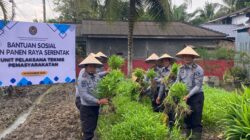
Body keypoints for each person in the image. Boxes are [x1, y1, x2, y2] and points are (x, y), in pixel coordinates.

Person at [175, 45, 204, 140]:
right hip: (184, 96)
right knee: (186, 119)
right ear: (183, 57)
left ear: (193, 57)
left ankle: (196, 137)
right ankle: (188, 137)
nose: (187, 57)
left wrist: (188, 95)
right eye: (185, 56)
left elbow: (198, 86)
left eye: (189, 56)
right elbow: (177, 82)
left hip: (196, 96)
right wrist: (172, 91)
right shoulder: (180, 69)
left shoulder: (198, 69)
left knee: (196, 120)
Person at [77, 55, 109, 140]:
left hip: (95, 107)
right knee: (88, 131)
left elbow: (99, 76)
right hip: (87, 108)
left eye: (94, 66)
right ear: (86, 66)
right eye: (91, 66)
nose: (93, 68)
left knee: (92, 127)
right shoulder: (82, 79)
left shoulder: (95, 75)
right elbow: (84, 95)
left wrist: (107, 72)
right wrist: (98, 101)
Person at [156, 53, 176, 129]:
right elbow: (162, 85)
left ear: (169, 61)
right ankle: (166, 125)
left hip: (173, 93)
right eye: (163, 61)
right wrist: (159, 96)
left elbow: (178, 82)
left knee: (172, 110)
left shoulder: (174, 70)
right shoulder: (162, 71)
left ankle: (172, 126)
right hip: (166, 92)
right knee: (165, 108)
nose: (165, 62)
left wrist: (173, 77)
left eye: (166, 61)